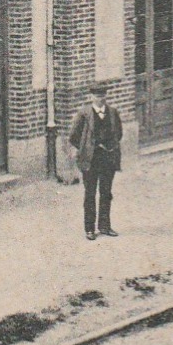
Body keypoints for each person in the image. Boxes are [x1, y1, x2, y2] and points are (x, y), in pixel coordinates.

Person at [68, 84, 122, 240]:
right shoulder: (84, 114)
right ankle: (89, 228)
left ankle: (105, 226)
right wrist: (87, 148)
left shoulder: (112, 113)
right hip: (90, 160)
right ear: (92, 97)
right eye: (98, 96)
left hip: (107, 158)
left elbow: (118, 133)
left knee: (106, 193)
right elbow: (74, 136)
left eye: (103, 95)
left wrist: (109, 146)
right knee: (90, 194)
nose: (101, 99)